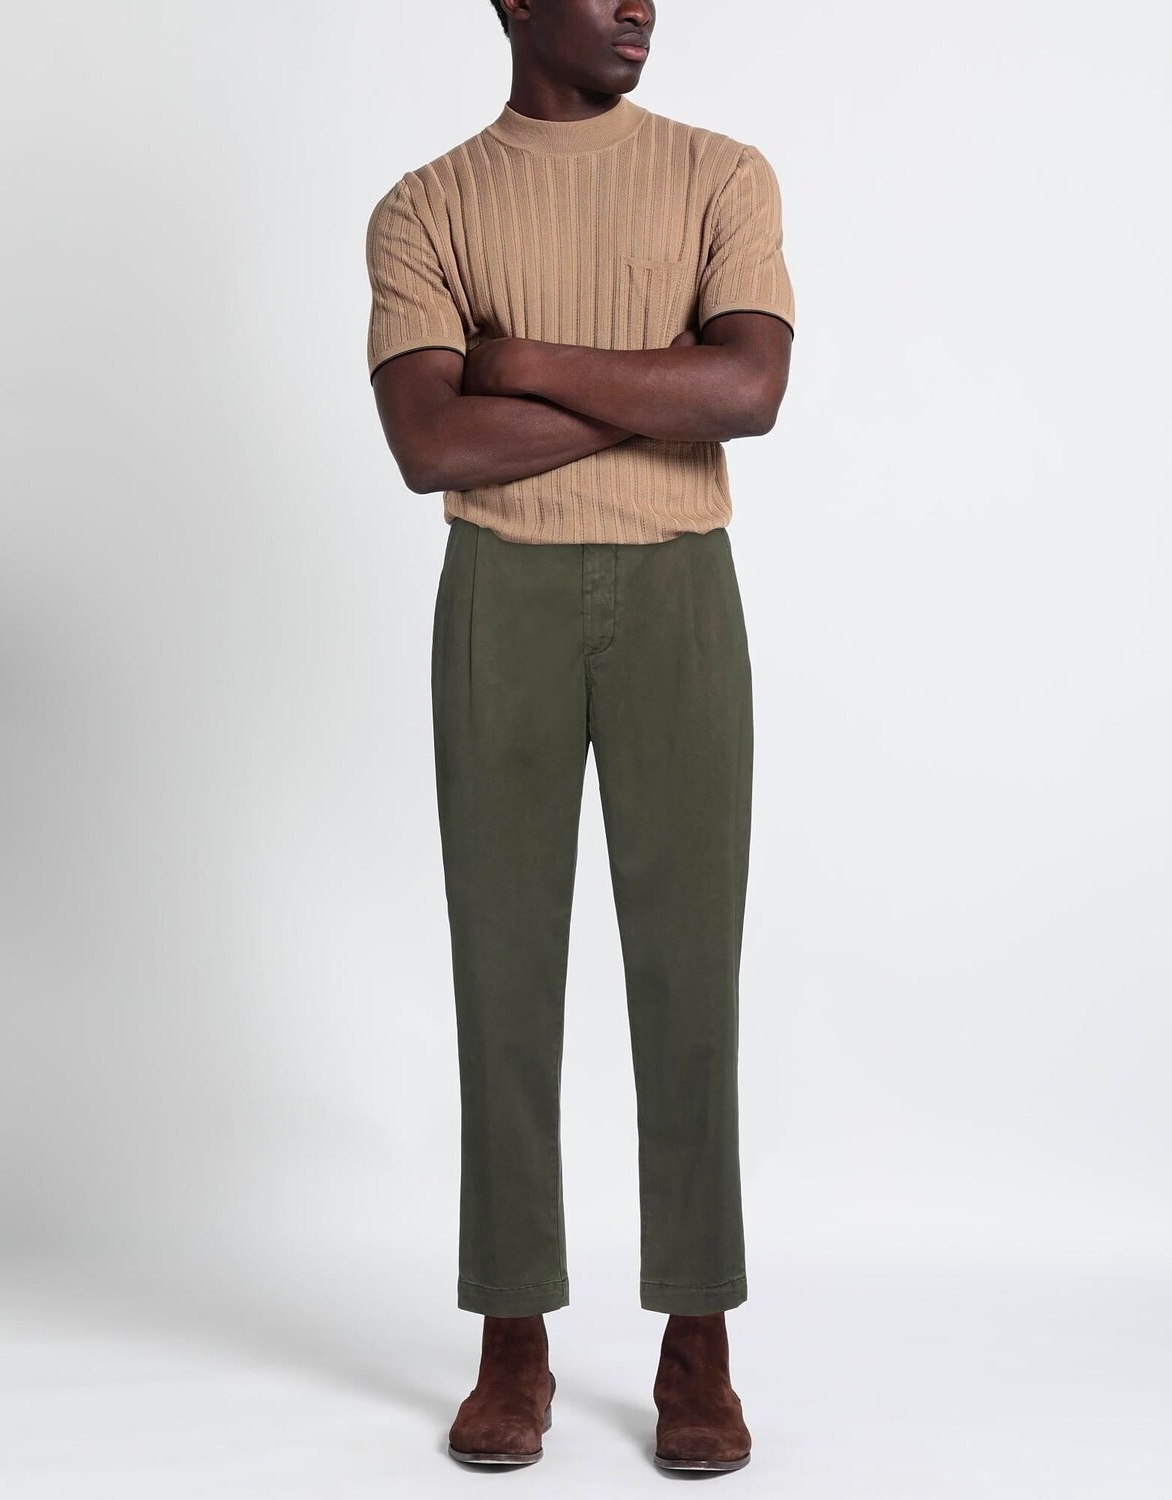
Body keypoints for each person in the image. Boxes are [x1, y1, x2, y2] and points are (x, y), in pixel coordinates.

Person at [364, 0, 795, 1473]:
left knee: (690, 978)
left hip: (681, 595)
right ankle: (512, 1336)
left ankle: (698, 1337)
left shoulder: (719, 173)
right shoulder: (426, 207)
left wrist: (524, 359)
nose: (639, 4)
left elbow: (747, 391)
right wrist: (652, 386)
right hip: (501, 596)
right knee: (502, 975)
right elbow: (431, 444)